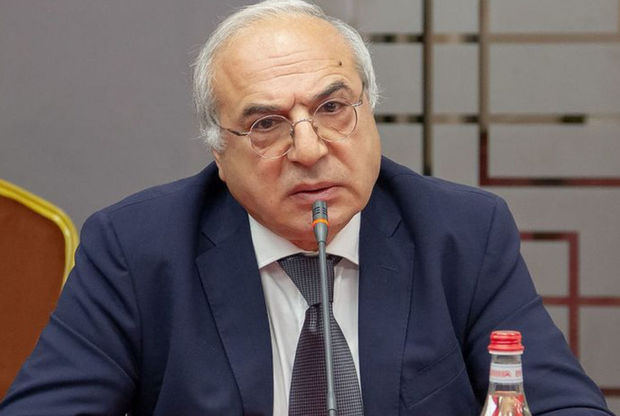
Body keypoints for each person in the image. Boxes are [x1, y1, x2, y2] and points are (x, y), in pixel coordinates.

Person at [0, 1, 614, 415]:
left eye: (332, 109)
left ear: (369, 111)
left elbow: (564, 405)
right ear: (219, 152)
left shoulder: (462, 234)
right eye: (266, 124)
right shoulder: (137, 249)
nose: (310, 149)